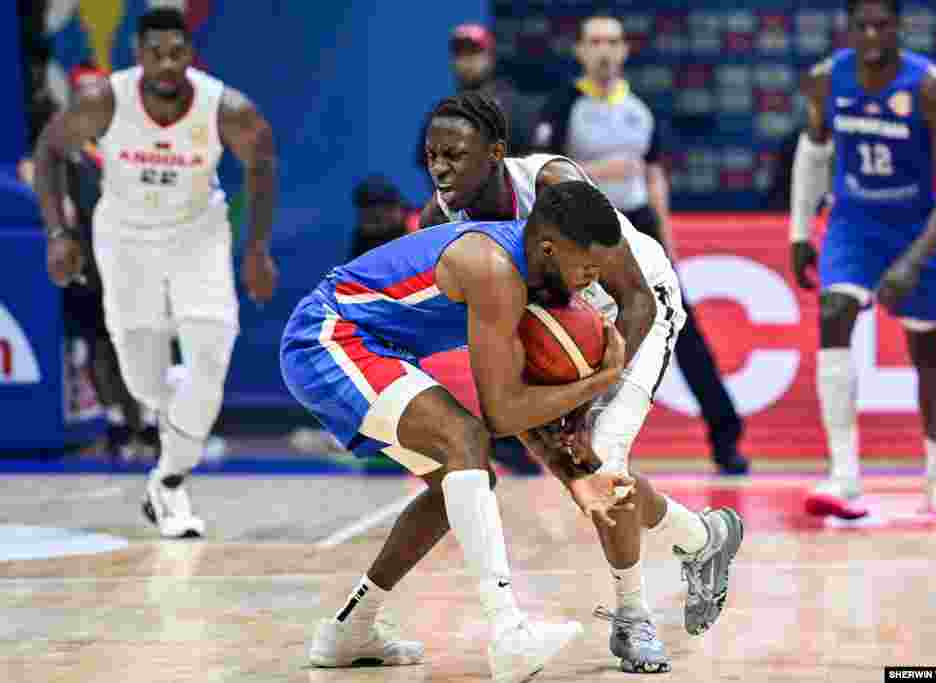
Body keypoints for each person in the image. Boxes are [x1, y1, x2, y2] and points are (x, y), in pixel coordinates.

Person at [417, 92, 744, 672]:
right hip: (559, 332)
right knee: (588, 477)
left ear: (495, 155)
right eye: (432, 155)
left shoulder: (553, 183)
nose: (440, 168)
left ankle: (633, 619)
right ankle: (702, 538)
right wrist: (540, 411)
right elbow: (491, 345)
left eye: (455, 155)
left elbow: (636, 294)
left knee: (605, 458)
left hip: (634, 313)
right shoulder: (436, 225)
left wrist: (592, 399)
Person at [282, 181, 635, 681]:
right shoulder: (492, 268)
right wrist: (602, 379)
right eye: (587, 268)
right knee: (465, 439)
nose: (590, 282)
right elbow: (501, 415)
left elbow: (510, 402)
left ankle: (350, 629)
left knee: (463, 482)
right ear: (551, 248)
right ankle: (508, 633)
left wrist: (576, 479)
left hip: (376, 350)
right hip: (328, 336)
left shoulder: (532, 274)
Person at [33, 8, 279, 537]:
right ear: (137, 56)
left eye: (176, 53)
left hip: (198, 235)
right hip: (125, 239)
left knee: (213, 348)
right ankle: (179, 416)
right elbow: (50, 152)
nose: (167, 64)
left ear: (190, 55)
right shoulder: (104, 101)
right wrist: (58, 234)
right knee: (144, 381)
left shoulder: (225, 108)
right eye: (155, 54)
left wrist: (257, 249)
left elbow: (262, 162)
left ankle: (168, 482)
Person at [533, 13, 749, 476]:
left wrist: (667, 239)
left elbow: (652, 174)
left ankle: (725, 436)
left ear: (625, 50)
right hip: (582, 232)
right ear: (581, 51)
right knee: (550, 329)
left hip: (639, 226)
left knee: (680, 328)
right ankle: (532, 436)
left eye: (613, 41)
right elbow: (544, 173)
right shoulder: (562, 106)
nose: (605, 50)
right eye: (595, 41)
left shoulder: (641, 109)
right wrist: (602, 171)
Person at [789, 0, 936, 519]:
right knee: (832, 313)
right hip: (853, 221)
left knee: (927, 350)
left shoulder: (930, 86)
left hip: (919, 225)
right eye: (861, 25)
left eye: (882, 24)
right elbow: (814, 152)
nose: (871, 34)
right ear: (848, 28)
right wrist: (800, 231)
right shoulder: (825, 79)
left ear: (899, 28)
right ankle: (844, 476)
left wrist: (911, 263)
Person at [415, 23, 535, 180]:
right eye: (460, 54)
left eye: (474, 53)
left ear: (490, 57)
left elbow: (529, 161)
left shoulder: (513, 106)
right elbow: (426, 163)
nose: (467, 61)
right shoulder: (441, 112)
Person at [350, 175, 419, 259]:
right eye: (367, 208)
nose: (379, 215)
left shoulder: (420, 228)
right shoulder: (363, 239)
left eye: (388, 207)